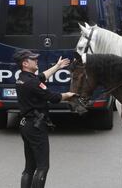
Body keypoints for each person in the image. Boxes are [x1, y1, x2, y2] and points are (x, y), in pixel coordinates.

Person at [14, 50, 76, 188]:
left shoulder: (23, 78)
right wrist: (69, 94)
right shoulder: (31, 83)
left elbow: (41, 77)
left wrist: (57, 66)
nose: (36, 60)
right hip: (36, 126)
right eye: (33, 59)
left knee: (30, 167)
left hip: (26, 125)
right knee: (43, 167)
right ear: (25, 63)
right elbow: (53, 98)